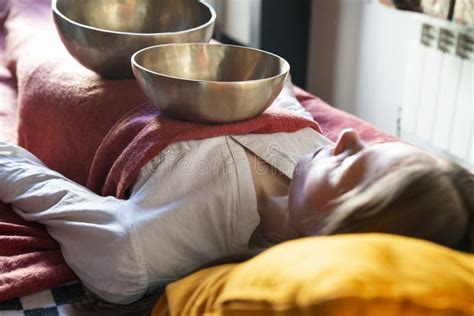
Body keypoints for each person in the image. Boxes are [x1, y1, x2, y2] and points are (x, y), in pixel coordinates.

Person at [0, 93, 472, 305]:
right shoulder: (309, 148)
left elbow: (22, 175)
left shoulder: (138, 251)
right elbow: (278, 89)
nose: (347, 136)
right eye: (372, 145)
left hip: (71, 80)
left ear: (335, 238)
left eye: (354, 167)